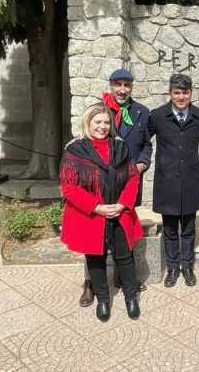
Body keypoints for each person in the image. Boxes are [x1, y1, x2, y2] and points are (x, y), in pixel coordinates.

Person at [60, 103, 143, 322]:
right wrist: (96, 207)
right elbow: (69, 187)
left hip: (119, 212)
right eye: (98, 122)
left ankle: (131, 298)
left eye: (107, 122)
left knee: (125, 256)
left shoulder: (121, 148)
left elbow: (133, 176)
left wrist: (123, 204)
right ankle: (104, 300)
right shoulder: (75, 150)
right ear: (88, 123)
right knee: (95, 259)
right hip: (92, 215)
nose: (103, 126)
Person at [78, 68, 152, 307]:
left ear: (132, 87)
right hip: (99, 186)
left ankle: (124, 276)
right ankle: (91, 283)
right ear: (111, 85)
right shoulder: (99, 111)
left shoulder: (141, 112)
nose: (122, 90)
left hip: (127, 185)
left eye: (126, 85)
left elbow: (146, 146)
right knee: (93, 235)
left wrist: (141, 165)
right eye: (117, 84)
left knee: (124, 230)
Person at [148, 74, 199, 288]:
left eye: (185, 92)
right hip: (167, 181)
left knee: (189, 229)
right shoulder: (157, 116)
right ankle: (173, 268)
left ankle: (188, 267)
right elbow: (143, 141)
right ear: (170, 93)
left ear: (191, 93)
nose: (181, 96)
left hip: (190, 181)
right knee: (171, 229)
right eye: (177, 92)